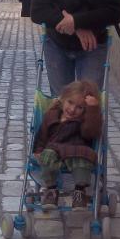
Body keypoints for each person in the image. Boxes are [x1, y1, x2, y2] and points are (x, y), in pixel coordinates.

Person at [33, 80, 102, 210]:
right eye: (70, 102)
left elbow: (91, 132)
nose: (72, 110)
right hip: (54, 149)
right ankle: (51, 190)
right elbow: (42, 135)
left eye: (79, 107)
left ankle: (79, 192)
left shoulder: (84, 121)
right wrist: (38, 149)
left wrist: (93, 110)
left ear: (85, 110)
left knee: (84, 157)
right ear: (63, 99)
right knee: (46, 155)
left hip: (76, 150)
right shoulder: (52, 115)